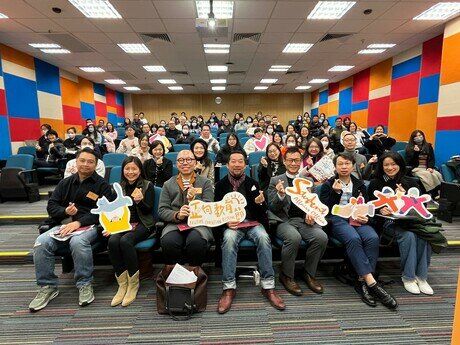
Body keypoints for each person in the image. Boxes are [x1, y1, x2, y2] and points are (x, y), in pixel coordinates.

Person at [28, 148, 113, 312]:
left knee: (78, 241)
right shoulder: (65, 183)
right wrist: (65, 212)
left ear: (96, 165)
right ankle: (48, 286)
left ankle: (84, 284)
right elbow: (51, 206)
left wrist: (79, 222)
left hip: (91, 226)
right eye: (82, 160)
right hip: (65, 224)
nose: (86, 164)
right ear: (76, 161)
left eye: (90, 162)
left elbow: (104, 212)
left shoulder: (102, 185)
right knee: (41, 242)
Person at [319, 153, 398, 309]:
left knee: (372, 238)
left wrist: (367, 217)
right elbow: (324, 209)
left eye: (347, 163)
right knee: (354, 239)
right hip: (337, 220)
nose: (343, 167)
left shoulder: (359, 184)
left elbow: (367, 206)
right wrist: (336, 194)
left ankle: (362, 282)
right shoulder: (328, 184)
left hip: (357, 218)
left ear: (353, 165)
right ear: (335, 167)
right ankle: (372, 283)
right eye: (340, 164)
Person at [215, 151, 285, 314]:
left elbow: (263, 213)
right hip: (233, 225)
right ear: (228, 165)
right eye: (234, 161)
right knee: (229, 239)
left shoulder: (253, 182)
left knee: (263, 237)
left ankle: (268, 286)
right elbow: (216, 211)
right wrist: (225, 221)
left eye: (241, 161)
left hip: (252, 223)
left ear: (245, 165)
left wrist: (261, 204)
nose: (237, 164)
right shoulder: (220, 185)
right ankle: (229, 288)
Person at [368, 152, 435, 296]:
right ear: (381, 166)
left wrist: (406, 198)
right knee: (409, 236)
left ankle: (421, 277)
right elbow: (369, 208)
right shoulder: (376, 183)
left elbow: (422, 206)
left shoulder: (411, 182)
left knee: (424, 234)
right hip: (388, 223)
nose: (390, 167)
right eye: (386, 165)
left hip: (411, 221)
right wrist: (380, 209)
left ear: (400, 165)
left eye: (393, 164)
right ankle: (409, 277)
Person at [267, 148, 328, 296]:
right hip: (284, 220)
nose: (293, 163)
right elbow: (272, 207)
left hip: (303, 220)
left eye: (296, 160)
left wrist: (311, 213)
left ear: (301, 162)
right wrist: (280, 195)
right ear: (284, 161)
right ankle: (287, 275)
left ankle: (308, 273)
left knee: (321, 237)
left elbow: (313, 203)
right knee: (294, 237)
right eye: (290, 160)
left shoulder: (308, 181)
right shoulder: (276, 180)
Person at [103, 156, 155, 307]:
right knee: (113, 240)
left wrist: (140, 201)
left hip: (143, 223)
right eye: (127, 169)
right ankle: (122, 284)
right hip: (122, 223)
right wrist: (109, 227)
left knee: (126, 241)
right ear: (123, 170)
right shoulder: (117, 186)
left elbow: (149, 210)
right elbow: (112, 210)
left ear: (140, 170)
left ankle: (133, 284)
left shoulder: (147, 185)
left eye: (134, 169)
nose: (130, 172)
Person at [158, 150, 214, 265]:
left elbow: (209, 208)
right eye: (181, 160)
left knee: (196, 241)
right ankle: (178, 273)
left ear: (195, 163)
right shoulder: (168, 184)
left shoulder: (205, 182)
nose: (185, 163)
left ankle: (194, 272)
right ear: (176, 164)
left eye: (189, 160)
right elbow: (162, 210)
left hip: (199, 224)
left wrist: (194, 201)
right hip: (175, 224)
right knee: (168, 241)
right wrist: (177, 215)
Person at [405, 130, 443, 197]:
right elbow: (410, 162)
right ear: (413, 138)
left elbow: (431, 159)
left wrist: (430, 167)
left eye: (420, 135)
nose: (419, 137)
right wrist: (416, 153)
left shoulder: (428, 146)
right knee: (427, 175)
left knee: (436, 174)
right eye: (416, 136)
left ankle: (440, 192)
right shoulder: (409, 148)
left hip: (426, 167)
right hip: (416, 168)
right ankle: (434, 194)